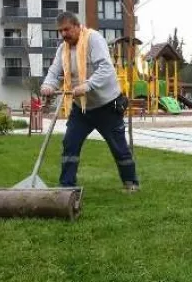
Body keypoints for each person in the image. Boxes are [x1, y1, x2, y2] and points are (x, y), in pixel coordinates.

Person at [40, 11, 139, 193]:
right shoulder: (63, 49)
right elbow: (54, 72)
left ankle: (131, 183)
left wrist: (87, 85)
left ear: (77, 26)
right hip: (81, 108)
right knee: (70, 143)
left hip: (107, 106)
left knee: (118, 147)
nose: (63, 34)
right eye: (60, 31)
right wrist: (47, 85)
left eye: (67, 29)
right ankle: (67, 187)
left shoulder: (94, 39)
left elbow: (106, 69)